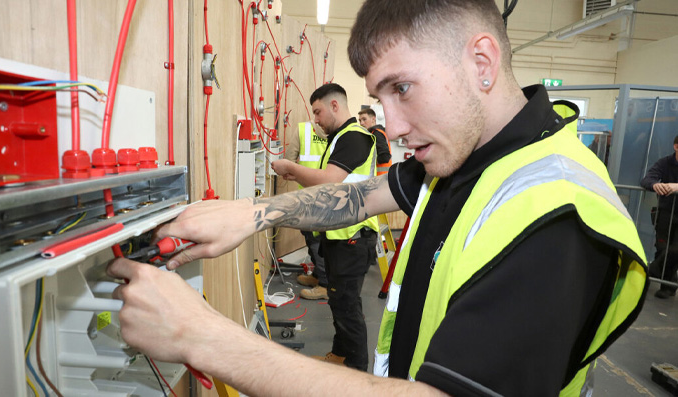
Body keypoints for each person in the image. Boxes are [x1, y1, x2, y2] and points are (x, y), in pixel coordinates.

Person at [107, 0, 648, 395]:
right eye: (380, 98)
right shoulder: (468, 158)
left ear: (481, 63)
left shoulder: (557, 216)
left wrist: (199, 336)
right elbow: (362, 196)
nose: (393, 125)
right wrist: (254, 212)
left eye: (403, 88)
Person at [268, 83, 378, 370]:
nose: (315, 119)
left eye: (318, 112)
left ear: (334, 106)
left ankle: (355, 371)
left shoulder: (356, 137)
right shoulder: (340, 137)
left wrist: (290, 169)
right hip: (339, 233)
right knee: (338, 301)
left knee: (347, 305)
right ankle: (340, 355)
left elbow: (329, 179)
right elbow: (328, 186)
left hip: (353, 234)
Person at [283, 121, 329, 300]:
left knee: (315, 241)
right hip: (332, 195)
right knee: (320, 239)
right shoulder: (340, 132)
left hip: (308, 194)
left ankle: (324, 285)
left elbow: (288, 159)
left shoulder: (303, 129)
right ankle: (318, 276)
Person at [640, 135, 678, 299]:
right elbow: (647, 179)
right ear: (676, 147)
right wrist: (655, 185)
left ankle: (652, 272)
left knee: (675, 250)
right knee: (662, 248)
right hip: (666, 212)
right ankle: (668, 284)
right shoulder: (664, 162)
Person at [358, 108, 393, 175]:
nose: (361, 123)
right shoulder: (373, 133)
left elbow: (385, 157)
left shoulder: (377, 133)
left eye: (364, 119)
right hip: (379, 178)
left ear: (373, 119)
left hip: (380, 178)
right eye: (360, 120)